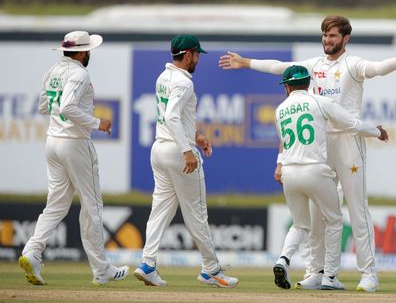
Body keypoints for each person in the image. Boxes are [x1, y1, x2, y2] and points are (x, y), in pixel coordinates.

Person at [219, 15, 396, 292]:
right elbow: (279, 67)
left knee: (358, 210)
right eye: (325, 36)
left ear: (345, 38)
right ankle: (316, 271)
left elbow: (377, 69)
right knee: (316, 215)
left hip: (349, 142)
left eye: (333, 36)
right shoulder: (312, 66)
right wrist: (246, 62)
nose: (327, 41)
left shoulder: (354, 64)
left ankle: (368, 274)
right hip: (322, 145)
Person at [19, 31, 129, 285]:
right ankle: (101, 270)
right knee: (92, 206)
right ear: (81, 52)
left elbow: (44, 107)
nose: (89, 54)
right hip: (75, 144)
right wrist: (97, 122)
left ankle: (32, 252)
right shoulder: (80, 73)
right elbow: (68, 106)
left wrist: (66, 118)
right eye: (88, 49)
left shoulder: (53, 71)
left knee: (56, 204)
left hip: (53, 142)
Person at [133, 34, 239, 288]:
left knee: (160, 210)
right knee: (197, 213)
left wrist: (197, 136)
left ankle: (147, 264)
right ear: (189, 54)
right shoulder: (184, 82)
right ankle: (211, 269)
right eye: (197, 54)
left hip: (159, 149)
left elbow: (176, 119)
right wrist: (187, 150)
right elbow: (171, 117)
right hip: (177, 152)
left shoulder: (163, 77)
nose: (199, 59)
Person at [272, 65, 388, 290]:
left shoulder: (280, 109)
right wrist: (377, 132)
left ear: (286, 87)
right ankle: (330, 278)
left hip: (289, 172)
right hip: (315, 170)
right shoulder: (319, 102)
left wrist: (278, 165)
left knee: (300, 225)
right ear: (308, 84)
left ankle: (283, 259)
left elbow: (285, 144)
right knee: (334, 221)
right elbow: (352, 124)